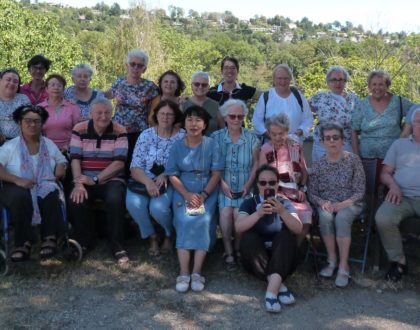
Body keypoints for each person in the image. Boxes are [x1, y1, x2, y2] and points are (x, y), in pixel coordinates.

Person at [165, 105, 223, 293]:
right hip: (183, 189)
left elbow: (216, 173)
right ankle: (184, 273)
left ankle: (197, 272)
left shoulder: (212, 144)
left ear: (205, 124)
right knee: (183, 220)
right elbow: (172, 174)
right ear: (184, 123)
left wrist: (204, 195)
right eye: (189, 119)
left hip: (207, 189)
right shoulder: (177, 146)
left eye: (198, 120)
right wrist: (187, 194)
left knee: (204, 221)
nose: (193, 124)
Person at [0, 105, 67, 261]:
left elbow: (61, 160)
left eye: (37, 121)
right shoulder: (10, 146)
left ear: (42, 123)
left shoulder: (48, 144)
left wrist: (61, 167)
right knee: (21, 197)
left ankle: (49, 238)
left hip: (43, 183)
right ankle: (23, 243)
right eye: (28, 121)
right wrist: (18, 180)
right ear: (19, 123)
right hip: (14, 185)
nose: (32, 124)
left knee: (50, 192)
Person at [68, 98, 129, 264]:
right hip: (85, 176)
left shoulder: (119, 130)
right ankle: (85, 241)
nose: (103, 116)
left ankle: (117, 244)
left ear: (112, 113)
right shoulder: (79, 129)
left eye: (107, 112)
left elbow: (119, 163)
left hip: (111, 178)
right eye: (99, 113)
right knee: (76, 199)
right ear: (91, 114)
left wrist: (95, 179)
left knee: (115, 199)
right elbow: (75, 159)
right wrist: (79, 183)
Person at [236, 164, 302, 313]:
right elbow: (239, 227)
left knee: (286, 237)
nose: (268, 186)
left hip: (281, 254)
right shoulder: (249, 203)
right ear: (257, 184)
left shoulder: (284, 203)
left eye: (272, 182)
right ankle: (279, 286)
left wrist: (282, 212)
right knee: (248, 238)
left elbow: (298, 228)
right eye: (263, 182)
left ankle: (271, 293)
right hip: (256, 256)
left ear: (277, 183)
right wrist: (258, 214)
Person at [308, 122, 365, 288]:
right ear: (322, 141)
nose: (332, 141)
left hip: (351, 203)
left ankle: (343, 265)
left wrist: (342, 204)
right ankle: (332, 260)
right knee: (325, 217)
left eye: (336, 137)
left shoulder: (353, 160)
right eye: (328, 138)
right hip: (327, 204)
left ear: (342, 140)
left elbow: (360, 191)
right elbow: (312, 192)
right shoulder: (319, 165)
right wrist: (322, 202)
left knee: (342, 217)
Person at [126, 100, 185, 256]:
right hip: (143, 179)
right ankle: (152, 236)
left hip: (170, 181)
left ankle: (168, 234)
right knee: (134, 203)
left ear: (175, 117)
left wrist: (167, 173)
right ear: (156, 115)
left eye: (169, 114)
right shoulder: (146, 135)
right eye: (162, 114)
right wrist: (147, 182)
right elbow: (135, 166)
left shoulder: (182, 136)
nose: (165, 117)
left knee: (158, 208)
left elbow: (185, 163)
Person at [211, 99, 260, 269]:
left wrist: (248, 184)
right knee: (225, 213)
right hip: (223, 182)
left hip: (245, 182)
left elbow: (256, 164)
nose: (236, 120)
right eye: (232, 116)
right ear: (225, 117)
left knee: (239, 212)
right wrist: (222, 184)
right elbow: (213, 165)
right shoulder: (215, 137)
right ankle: (228, 250)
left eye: (240, 116)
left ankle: (238, 248)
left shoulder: (252, 137)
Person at [375, 106, 420, 282]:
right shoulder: (399, 145)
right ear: (411, 124)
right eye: (418, 122)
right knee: (383, 218)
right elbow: (385, 173)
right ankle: (399, 261)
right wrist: (393, 185)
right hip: (402, 196)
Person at [259, 114, 312, 245]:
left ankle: (295, 249)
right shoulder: (266, 150)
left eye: (281, 133)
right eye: (273, 134)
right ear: (269, 133)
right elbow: (261, 177)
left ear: (287, 131)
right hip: (275, 194)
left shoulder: (295, 146)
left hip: (295, 192)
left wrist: (302, 188)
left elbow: (304, 171)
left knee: (305, 217)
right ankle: (283, 248)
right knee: (281, 217)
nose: (277, 137)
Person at [106, 49, 159, 171]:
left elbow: (162, 101)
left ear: (144, 69)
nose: (135, 68)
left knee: (135, 163)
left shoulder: (149, 86)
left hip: (139, 132)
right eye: (132, 64)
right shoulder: (119, 82)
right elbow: (108, 95)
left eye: (139, 65)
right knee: (118, 162)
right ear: (127, 65)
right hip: (118, 130)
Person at [351, 70, 413, 161]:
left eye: (381, 84)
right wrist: (356, 157)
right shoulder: (362, 105)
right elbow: (353, 130)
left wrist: (406, 129)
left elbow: (416, 111)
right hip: (367, 159)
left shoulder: (398, 102)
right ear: (369, 86)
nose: (377, 88)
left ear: (387, 86)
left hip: (393, 158)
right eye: (374, 84)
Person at [252, 64, 313, 143]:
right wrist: (271, 135)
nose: (283, 81)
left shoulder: (298, 96)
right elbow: (257, 121)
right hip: (271, 145)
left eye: (286, 78)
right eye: (279, 78)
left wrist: (300, 131)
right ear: (274, 79)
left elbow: (308, 119)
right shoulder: (266, 97)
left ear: (290, 79)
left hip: (294, 145)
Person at [309, 66, 359, 162]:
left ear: (345, 81)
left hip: (345, 145)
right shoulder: (320, 97)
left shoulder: (354, 99)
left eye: (341, 80)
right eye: (333, 80)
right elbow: (304, 110)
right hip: (322, 146)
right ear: (328, 82)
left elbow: (357, 126)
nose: (337, 83)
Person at [39, 74, 80, 152]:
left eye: (59, 85)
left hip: (68, 149)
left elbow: (77, 131)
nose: (56, 88)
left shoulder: (72, 107)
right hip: (45, 149)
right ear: (46, 89)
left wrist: (69, 146)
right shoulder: (39, 108)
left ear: (63, 89)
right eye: (53, 85)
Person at [182, 71, 224, 135]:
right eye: (197, 84)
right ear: (191, 85)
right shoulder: (183, 104)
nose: (200, 87)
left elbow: (222, 130)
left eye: (204, 85)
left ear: (208, 87)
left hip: (212, 144)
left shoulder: (215, 105)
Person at [0, 68, 31, 144]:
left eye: (15, 81)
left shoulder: (23, 99)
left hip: (20, 145)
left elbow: (30, 122)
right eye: (8, 79)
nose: (11, 83)